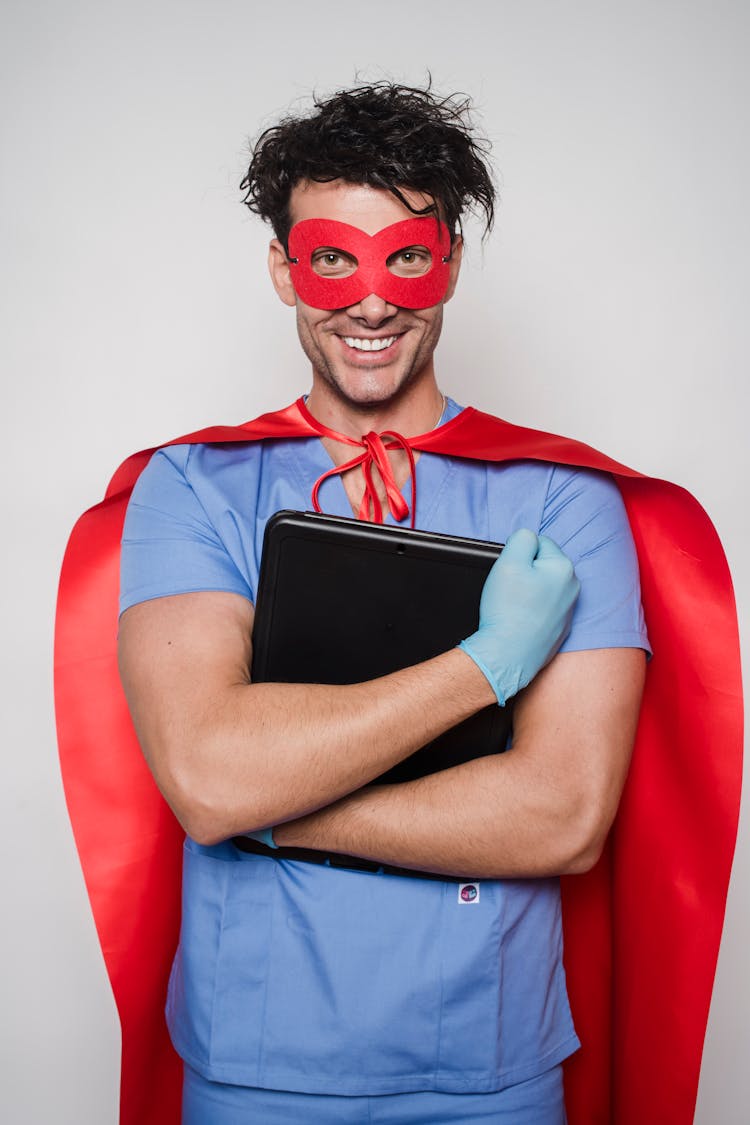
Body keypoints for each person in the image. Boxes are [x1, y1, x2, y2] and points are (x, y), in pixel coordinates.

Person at [54, 82, 742, 1125]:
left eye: (405, 257)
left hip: (493, 1071)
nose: (369, 302)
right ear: (284, 270)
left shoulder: (565, 499)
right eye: (333, 256)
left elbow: (562, 817)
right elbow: (206, 776)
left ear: (449, 264)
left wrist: (276, 816)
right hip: (256, 1071)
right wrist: (489, 665)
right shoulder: (191, 487)